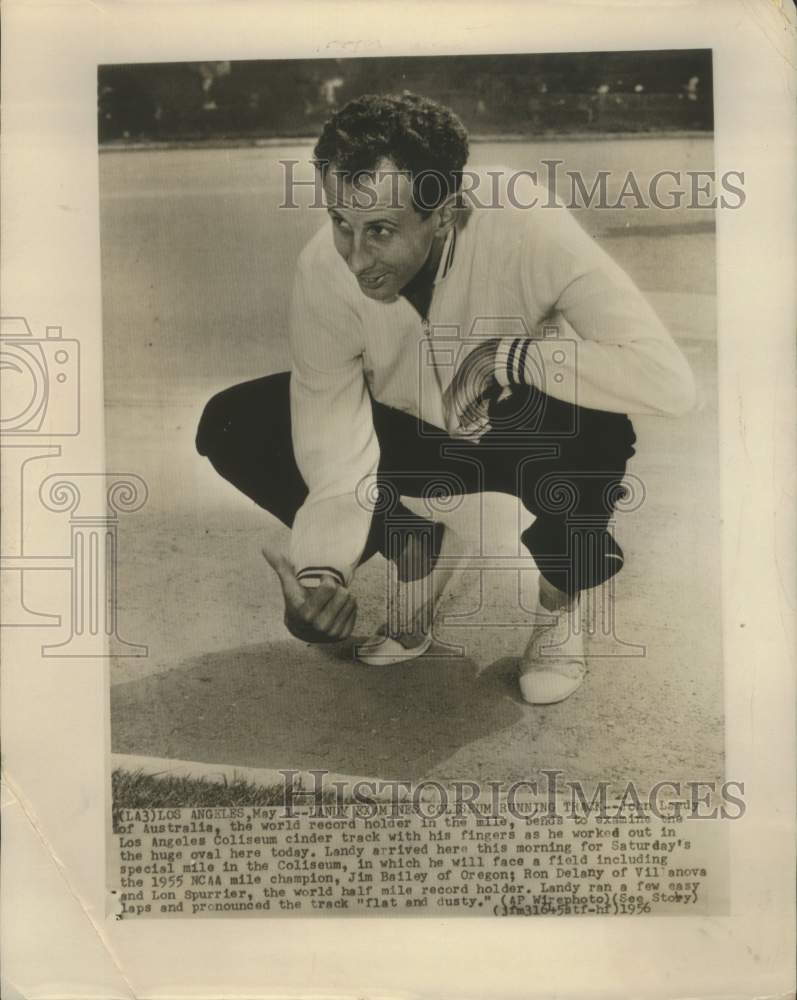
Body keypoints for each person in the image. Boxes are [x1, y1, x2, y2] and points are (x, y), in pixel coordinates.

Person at [196, 92, 696, 705]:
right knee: (233, 422)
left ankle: (558, 607)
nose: (355, 257)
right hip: (409, 436)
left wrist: (512, 358)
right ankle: (415, 551)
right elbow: (331, 433)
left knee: (597, 428)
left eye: (381, 230)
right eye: (340, 222)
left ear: (447, 212)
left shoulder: (526, 223)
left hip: (518, 429)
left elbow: (667, 380)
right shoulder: (322, 268)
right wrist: (322, 570)